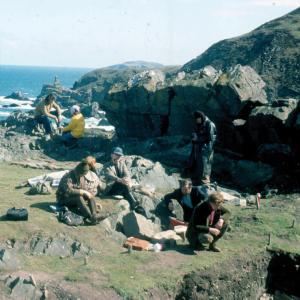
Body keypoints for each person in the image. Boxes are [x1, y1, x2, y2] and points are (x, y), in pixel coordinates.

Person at [56, 158, 103, 224]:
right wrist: (83, 192)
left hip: (74, 198)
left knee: (90, 195)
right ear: (78, 171)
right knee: (79, 198)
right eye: (82, 174)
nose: (83, 176)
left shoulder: (82, 177)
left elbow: (84, 190)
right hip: (63, 199)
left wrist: (90, 199)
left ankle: (94, 215)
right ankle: (90, 217)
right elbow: (68, 191)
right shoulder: (68, 176)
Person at [187, 110, 217, 185]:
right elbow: (197, 133)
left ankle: (205, 183)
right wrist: (194, 136)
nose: (196, 120)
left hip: (206, 149)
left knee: (205, 166)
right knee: (197, 164)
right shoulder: (200, 123)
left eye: (197, 119)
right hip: (198, 148)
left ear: (201, 117)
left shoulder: (209, 124)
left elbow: (210, 138)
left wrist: (197, 138)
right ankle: (196, 181)